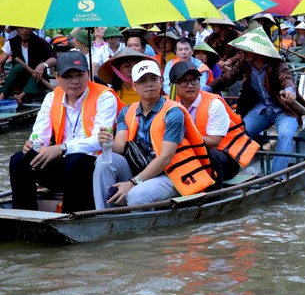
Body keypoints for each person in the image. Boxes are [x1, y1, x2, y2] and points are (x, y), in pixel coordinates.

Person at [9, 52, 120, 213]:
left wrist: (62, 148)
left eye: (80, 75)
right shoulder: (51, 97)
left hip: (94, 164)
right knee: (19, 160)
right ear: (57, 77)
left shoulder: (105, 96)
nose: (75, 81)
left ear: (88, 74)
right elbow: (40, 134)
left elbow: (99, 140)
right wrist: (34, 145)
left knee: (76, 161)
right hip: (64, 162)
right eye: (68, 76)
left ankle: (72, 216)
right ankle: (23, 213)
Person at [93, 61, 214, 209]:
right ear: (134, 86)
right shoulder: (126, 111)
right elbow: (119, 147)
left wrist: (132, 183)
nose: (149, 84)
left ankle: (135, 228)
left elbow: (165, 158)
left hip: (170, 174)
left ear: (161, 82)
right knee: (104, 161)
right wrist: (108, 143)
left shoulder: (173, 112)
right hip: (140, 170)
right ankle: (104, 215)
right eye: (143, 80)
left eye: (153, 79)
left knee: (136, 196)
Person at [208, 28, 305, 175]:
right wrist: (206, 89)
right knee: (240, 133)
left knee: (285, 135)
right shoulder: (245, 64)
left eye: (248, 50)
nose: (244, 53)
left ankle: (277, 176)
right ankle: (229, 170)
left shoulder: (277, 65)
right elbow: (226, 79)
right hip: (262, 109)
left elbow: (286, 78)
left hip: (284, 110)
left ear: (260, 52)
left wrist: (290, 91)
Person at [170, 61, 260, 184]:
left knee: (212, 155)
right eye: (184, 81)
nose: (190, 85)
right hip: (190, 156)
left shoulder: (214, 104)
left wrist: (183, 135)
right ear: (173, 85)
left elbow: (213, 142)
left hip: (223, 159)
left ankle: (216, 194)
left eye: (194, 80)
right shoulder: (169, 106)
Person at [0, 27, 57, 103]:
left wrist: (43, 65)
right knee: (18, 67)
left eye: (27, 28)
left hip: (38, 80)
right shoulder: (11, 42)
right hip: (20, 80)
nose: (24, 31)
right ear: (17, 29)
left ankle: (21, 96)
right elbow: (1, 61)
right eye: (21, 28)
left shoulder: (41, 42)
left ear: (32, 29)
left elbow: (53, 59)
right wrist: (1, 69)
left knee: (36, 72)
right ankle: (2, 95)